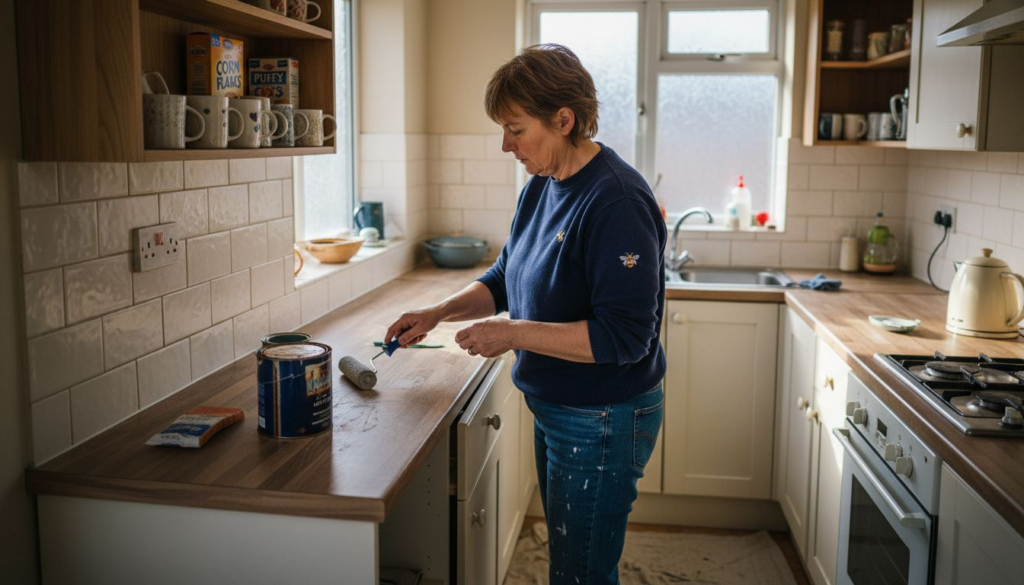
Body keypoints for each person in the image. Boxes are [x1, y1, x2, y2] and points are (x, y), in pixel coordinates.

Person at [384, 44, 667, 585]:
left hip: (602, 417)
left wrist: (513, 334)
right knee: (571, 558)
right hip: (561, 407)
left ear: (563, 120)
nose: (505, 145)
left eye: (515, 129)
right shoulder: (542, 183)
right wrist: (438, 311)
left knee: (581, 571)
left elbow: (625, 338)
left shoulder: (616, 203)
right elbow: (505, 276)